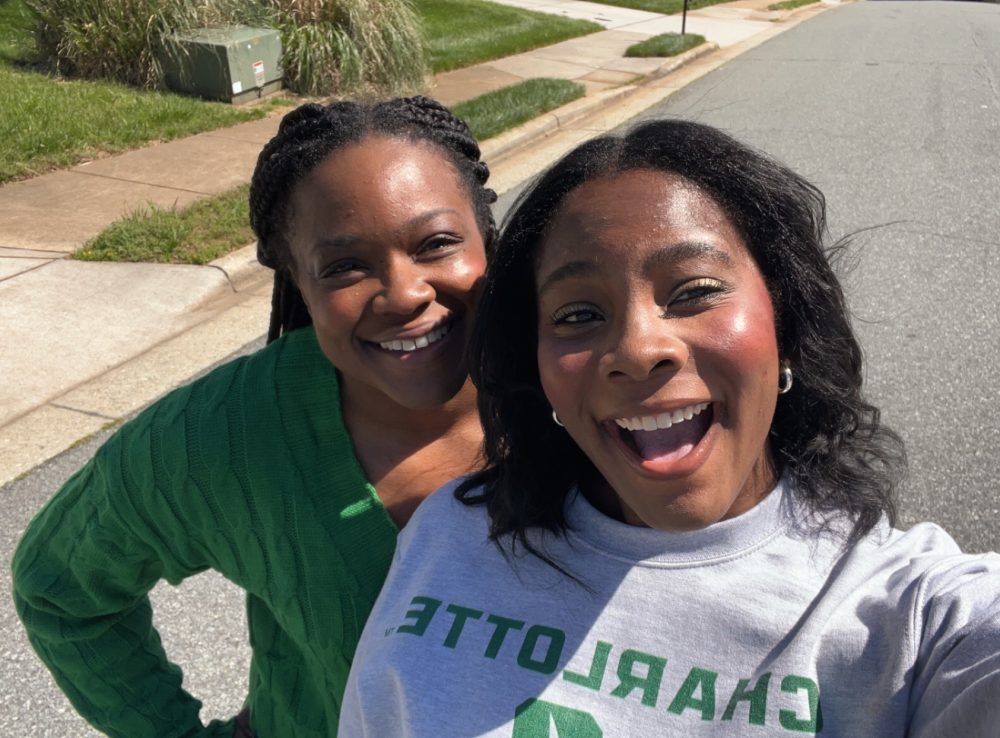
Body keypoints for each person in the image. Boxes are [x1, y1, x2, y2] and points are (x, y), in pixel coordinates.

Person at [339, 120, 1000, 737]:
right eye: (577, 315)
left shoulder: (912, 617)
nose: (636, 347)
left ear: (787, 326)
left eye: (693, 292)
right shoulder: (450, 533)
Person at [11, 95, 496, 738]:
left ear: (486, 235)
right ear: (296, 277)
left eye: (436, 243)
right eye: (344, 265)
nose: (405, 293)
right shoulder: (226, 435)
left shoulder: (584, 395)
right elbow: (59, 588)